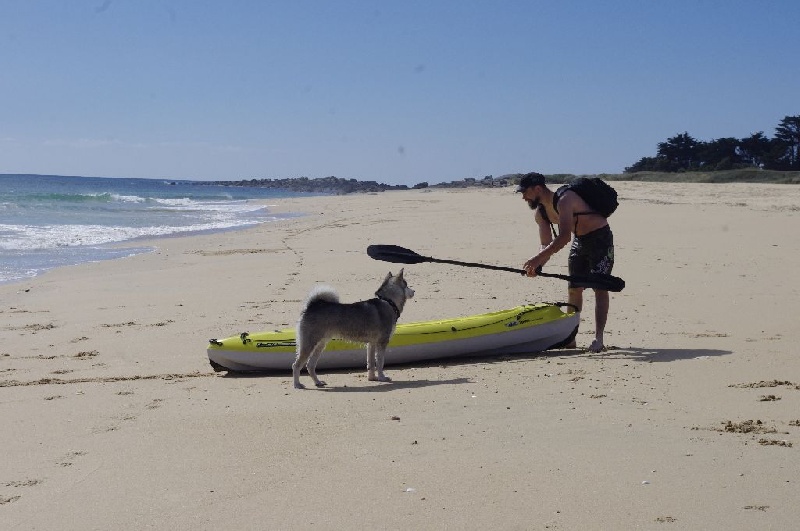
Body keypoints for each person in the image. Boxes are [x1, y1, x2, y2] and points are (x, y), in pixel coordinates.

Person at [516, 172, 614, 352]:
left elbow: (563, 237)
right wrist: (539, 264)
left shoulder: (565, 200)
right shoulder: (541, 214)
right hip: (581, 241)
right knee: (574, 288)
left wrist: (538, 259)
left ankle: (598, 338)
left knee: (600, 288)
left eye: (525, 192)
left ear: (537, 188)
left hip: (600, 238)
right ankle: (570, 337)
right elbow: (545, 244)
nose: (523, 197)